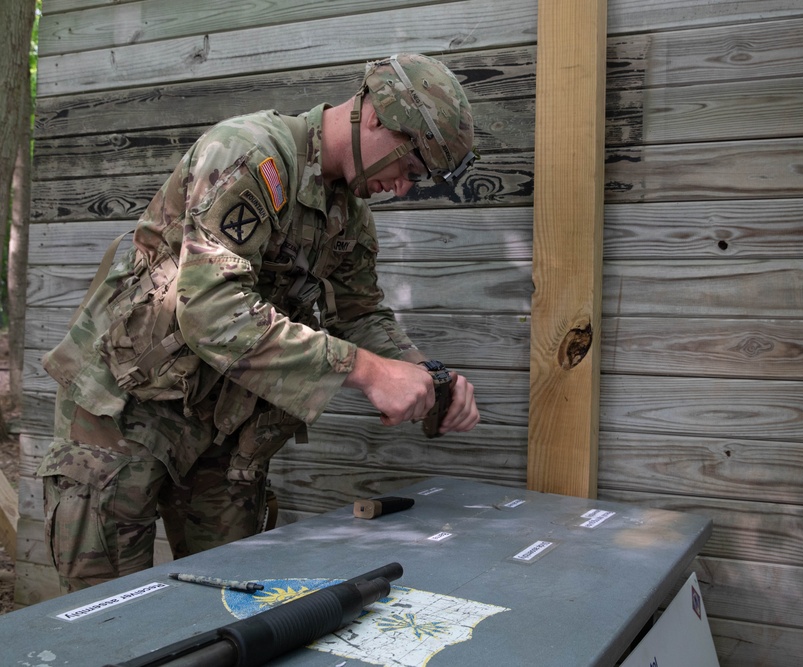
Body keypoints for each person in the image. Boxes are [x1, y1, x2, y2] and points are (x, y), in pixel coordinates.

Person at [38, 54, 481, 593]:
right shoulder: (250, 155)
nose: (406, 189)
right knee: (106, 610)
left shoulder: (350, 216)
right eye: (411, 169)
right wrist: (365, 371)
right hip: (125, 413)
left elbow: (360, 312)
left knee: (229, 601)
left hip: (223, 430)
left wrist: (425, 377)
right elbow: (209, 307)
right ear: (379, 118)